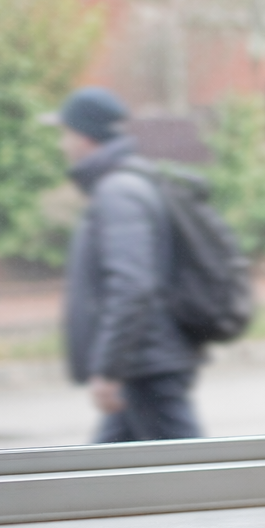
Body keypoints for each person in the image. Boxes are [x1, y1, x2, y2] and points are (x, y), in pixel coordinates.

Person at [57, 87, 205, 443]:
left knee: (193, 474)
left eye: (66, 132)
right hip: (143, 363)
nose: (62, 143)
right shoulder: (123, 184)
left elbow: (132, 285)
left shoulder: (118, 192)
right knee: (104, 476)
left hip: (146, 365)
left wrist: (108, 369)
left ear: (85, 135)